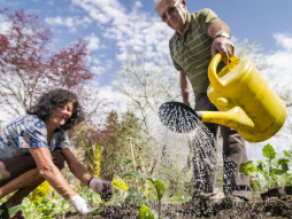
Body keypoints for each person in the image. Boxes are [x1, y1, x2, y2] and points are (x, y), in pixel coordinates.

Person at [155, 0, 251, 203]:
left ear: (182, 4)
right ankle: (203, 196)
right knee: (202, 145)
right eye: (163, 16)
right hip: (201, 97)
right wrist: (185, 102)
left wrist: (220, 37)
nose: (168, 17)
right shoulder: (172, 44)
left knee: (232, 138)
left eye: (171, 9)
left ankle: (238, 194)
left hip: (225, 89)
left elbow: (218, 25)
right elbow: (183, 74)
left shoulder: (201, 18)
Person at [0, 89, 113, 219]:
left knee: (57, 159)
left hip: (7, 171)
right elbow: (46, 168)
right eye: (60, 106)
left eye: (69, 109)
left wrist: (93, 181)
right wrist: (76, 200)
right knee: (51, 160)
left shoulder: (58, 135)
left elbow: (74, 164)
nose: (65, 111)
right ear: (48, 106)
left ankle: (11, 206)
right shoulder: (32, 123)